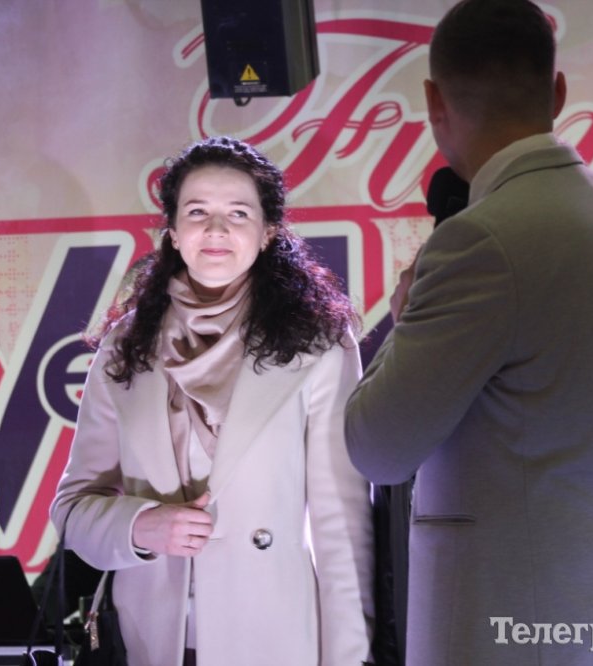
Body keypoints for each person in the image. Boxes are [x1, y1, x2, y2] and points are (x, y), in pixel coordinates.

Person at [344, 1, 593, 664]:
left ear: (434, 102)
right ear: (557, 92)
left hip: (514, 625)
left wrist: (406, 315)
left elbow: (377, 448)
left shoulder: (476, 239)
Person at [51, 136, 374, 666]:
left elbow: (341, 526)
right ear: (174, 233)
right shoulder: (127, 343)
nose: (217, 229)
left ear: (268, 233)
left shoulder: (317, 343)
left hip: (274, 638)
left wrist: (350, 658)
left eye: (238, 213)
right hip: (151, 639)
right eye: (197, 211)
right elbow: (72, 509)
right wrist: (140, 526)